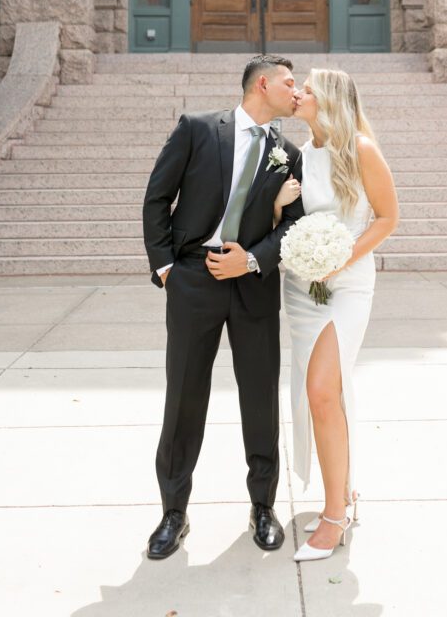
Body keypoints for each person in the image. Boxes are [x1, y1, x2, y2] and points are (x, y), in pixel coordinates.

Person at [143, 55, 305, 560]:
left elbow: (292, 226)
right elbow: (157, 198)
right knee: (185, 397)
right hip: (193, 280)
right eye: (289, 82)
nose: (296, 91)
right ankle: (173, 512)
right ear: (263, 83)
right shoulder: (196, 129)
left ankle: (262, 507)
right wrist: (168, 268)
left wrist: (253, 261)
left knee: (260, 400)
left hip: (253, 286)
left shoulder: (288, 152)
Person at [274, 68, 399, 563]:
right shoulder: (301, 156)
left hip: (346, 284)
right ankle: (342, 491)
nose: (299, 93)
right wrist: (279, 204)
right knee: (320, 393)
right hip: (303, 288)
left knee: (324, 390)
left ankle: (334, 516)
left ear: (328, 100)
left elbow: (389, 218)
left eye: (307, 88)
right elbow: (289, 223)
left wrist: (338, 258)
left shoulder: (361, 149)